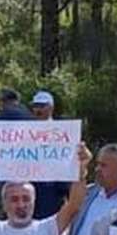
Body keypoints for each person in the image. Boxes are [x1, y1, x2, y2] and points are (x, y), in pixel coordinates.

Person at [27, 91, 71, 219]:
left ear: (51, 107)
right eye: (35, 106)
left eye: (42, 106)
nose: (38, 110)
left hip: (53, 187)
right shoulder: (25, 131)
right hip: (30, 183)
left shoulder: (62, 132)